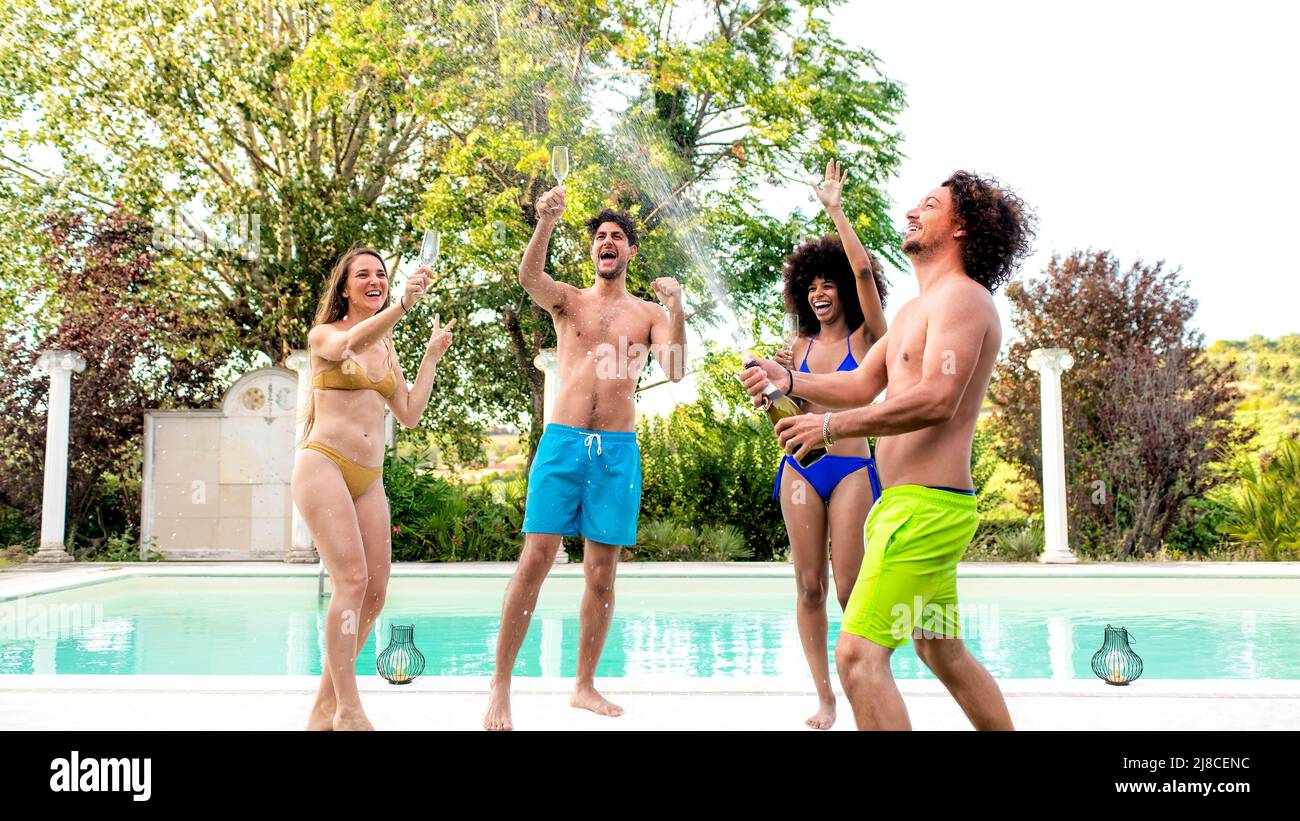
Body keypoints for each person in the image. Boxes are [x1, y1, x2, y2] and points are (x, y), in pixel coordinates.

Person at [742, 171, 1035, 730]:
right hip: (904, 507)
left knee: (856, 658)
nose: (912, 212)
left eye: (930, 205)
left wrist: (829, 428)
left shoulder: (965, 301)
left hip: (925, 509)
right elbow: (857, 385)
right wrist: (788, 380)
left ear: (963, 226)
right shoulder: (911, 313)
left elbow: (938, 399)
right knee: (940, 651)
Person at [483, 186, 687, 731]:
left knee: (601, 575)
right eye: (600, 237)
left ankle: (584, 686)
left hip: (617, 453)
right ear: (592, 251)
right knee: (535, 560)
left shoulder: (647, 314)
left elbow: (675, 367)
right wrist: (545, 222)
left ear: (630, 253)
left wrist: (677, 307)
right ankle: (500, 688)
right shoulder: (569, 300)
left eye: (617, 237)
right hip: (563, 442)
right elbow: (530, 279)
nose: (607, 243)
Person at [292, 246, 454, 730]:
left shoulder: (386, 347)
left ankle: (326, 705)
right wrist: (401, 307)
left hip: (369, 479)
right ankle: (349, 708)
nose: (374, 280)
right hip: (324, 465)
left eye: (381, 274)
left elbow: (408, 412)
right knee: (352, 582)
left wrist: (429, 357)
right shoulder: (325, 335)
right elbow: (345, 348)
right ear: (345, 287)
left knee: (377, 592)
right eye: (363, 274)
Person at [770, 160, 887, 730]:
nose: (820, 291)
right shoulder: (797, 345)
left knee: (848, 587)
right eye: (811, 284)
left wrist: (836, 210)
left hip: (851, 470)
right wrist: (766, 390)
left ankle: (864, 675)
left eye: (828, 281)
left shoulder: (869, 338)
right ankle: (825, 698)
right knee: (809, 585)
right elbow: (786, 412)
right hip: (799, 472)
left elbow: (865, 273)